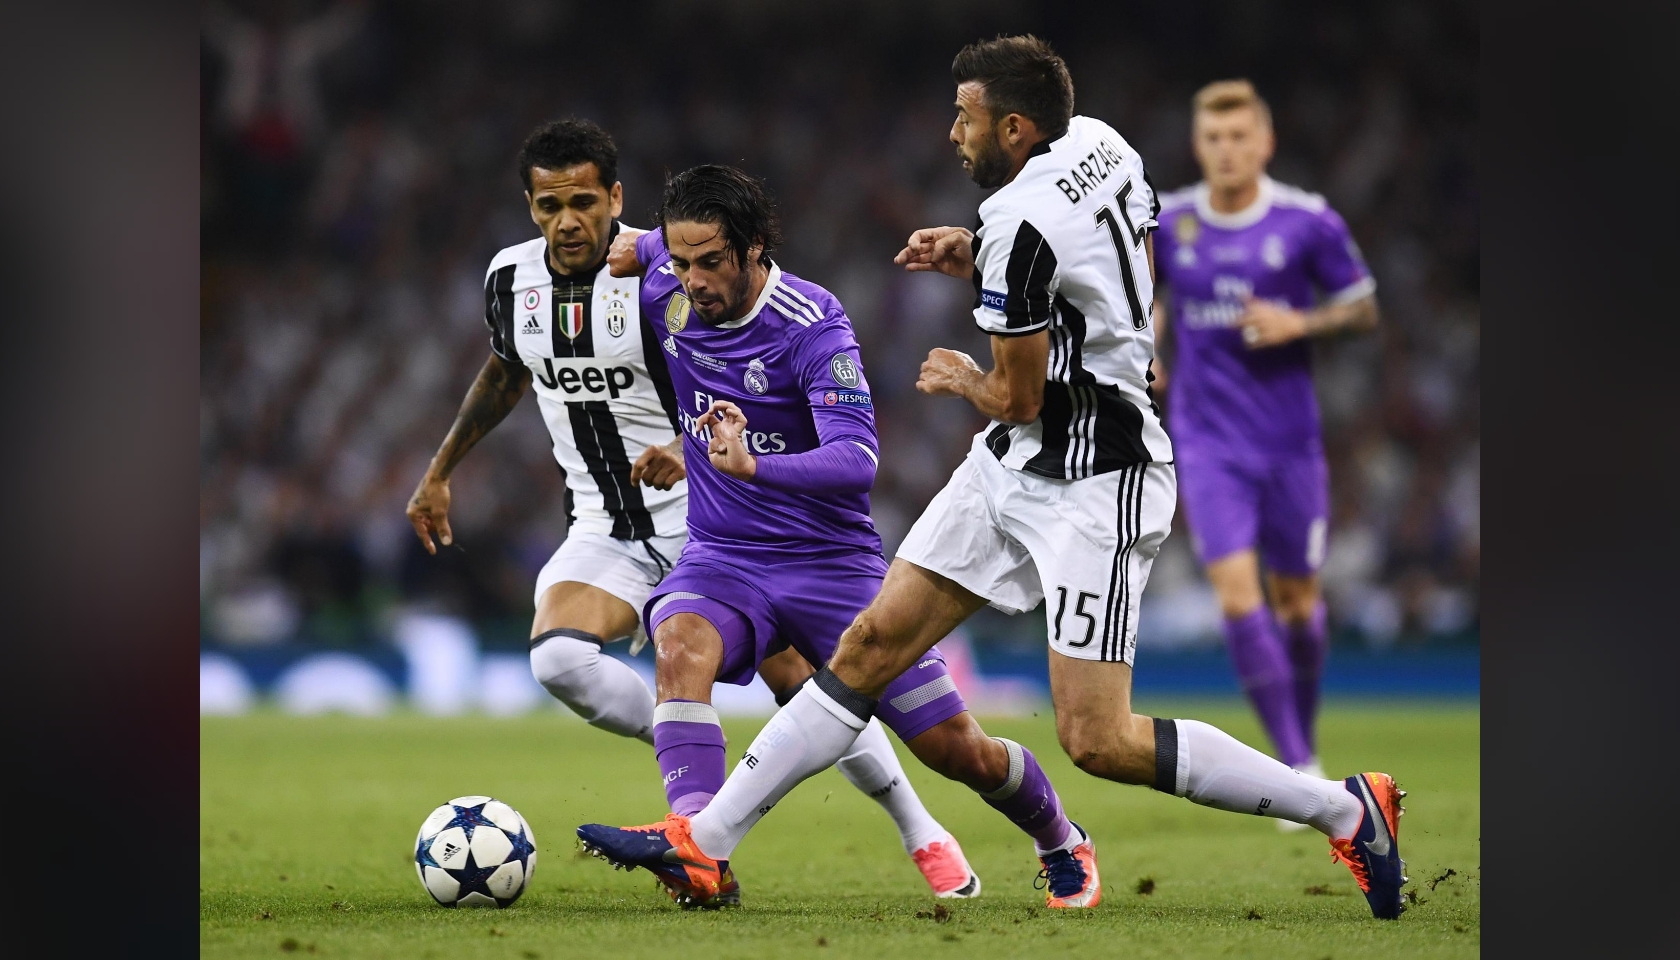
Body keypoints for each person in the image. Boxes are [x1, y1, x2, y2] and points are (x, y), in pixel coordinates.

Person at [579, 36, 1409, 921]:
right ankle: (704, 847)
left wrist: (960, 375)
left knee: (1097, 738)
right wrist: (981, 256)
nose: (952, 134)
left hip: (1099, 479)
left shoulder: (1016, 225)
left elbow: (1011, 396)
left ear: (1014, 127)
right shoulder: (1103, 143)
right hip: (1008, 471)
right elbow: (1115, 258)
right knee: (866, 652)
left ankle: (1348, 809)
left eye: (966, 118)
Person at [404, 120, 971, 900]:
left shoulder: (663, 278)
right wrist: (440, 472)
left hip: (714, 522)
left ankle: (921, 829)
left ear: (615, 198)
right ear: (529, 207)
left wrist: (686, 440)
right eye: (547, 206)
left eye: (581, 202)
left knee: (809, 688)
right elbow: (508, 371)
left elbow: (735, 366)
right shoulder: (510, 280)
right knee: (560, 659)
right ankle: (695, 786)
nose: (566, 222)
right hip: (603, 526)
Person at [578, 164, 1086, 908]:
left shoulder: (812, 322)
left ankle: (1060, 838)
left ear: (754, 249)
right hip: (724, 557)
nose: (693, 281)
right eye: (681, 263)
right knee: (680, 644)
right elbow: (647, 244)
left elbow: (857, 461)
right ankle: (698, 856)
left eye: (710, 262)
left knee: (956, 751)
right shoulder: (667, 278)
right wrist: (642, 247)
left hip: (831, 569)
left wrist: (752, 464)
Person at [1150, 81, 1380, 817]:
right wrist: (1150, 347)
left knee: (1299, 605)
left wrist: (1298, 324)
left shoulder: (1307, 221)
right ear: (1198, 145)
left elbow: (1364, 307)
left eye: (1240, 137)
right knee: (1238, 596)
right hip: (1209, 441)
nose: (1226, 150)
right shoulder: (1172, 222)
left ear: (1265, 143)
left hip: (1290, 446)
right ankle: (1299, 763)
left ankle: (1300, 735)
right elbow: (1154, 299)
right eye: (1214, 138)